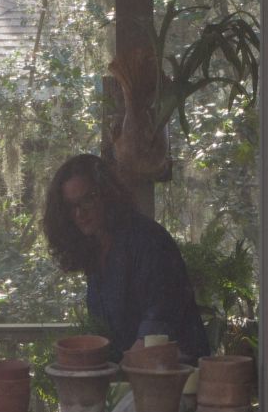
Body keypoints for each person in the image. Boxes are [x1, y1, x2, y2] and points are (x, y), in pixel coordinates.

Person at [40, 153, 210, 363]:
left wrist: (114, 376)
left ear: (107, 194)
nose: (79, 213)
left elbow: (156, 331)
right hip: (131, 377)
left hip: (175, 375)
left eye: (88, 199)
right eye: (70, 206)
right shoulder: (95, 249)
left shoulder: (147, 241)